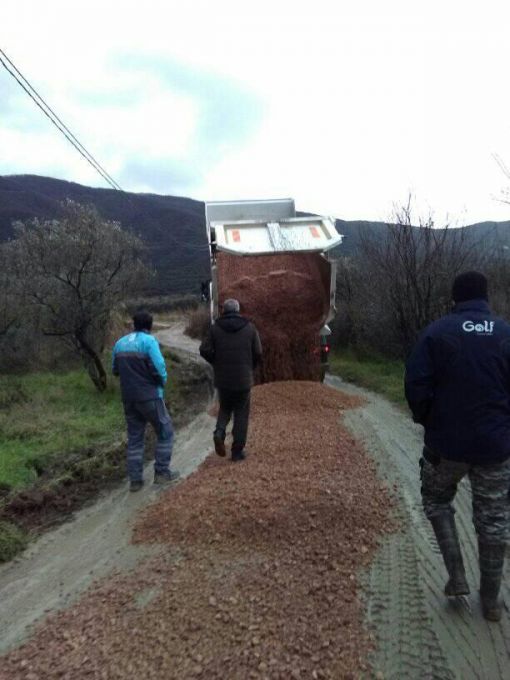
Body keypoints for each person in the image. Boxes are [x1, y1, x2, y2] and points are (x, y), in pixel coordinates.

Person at [405, 271, 510, 621]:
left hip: (446, 446)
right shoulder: (505, 333)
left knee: (436, 498)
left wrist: (428, 421)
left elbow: (416, 384)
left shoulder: (437, 333)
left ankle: (457, 576)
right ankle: (492, 600)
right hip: (495, 448)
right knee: (494, 518)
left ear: (454, 298)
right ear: (486, 297)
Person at [112, 310, 179, 491]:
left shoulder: (119, 343)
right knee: (165, 431)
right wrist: (162, 382)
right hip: (149, 396)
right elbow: (159, 367)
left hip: (128, 398)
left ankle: (135, 480)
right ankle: (162, 473)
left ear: (133, 324)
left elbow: (115, 370)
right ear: (150, 326)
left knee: (135, 438)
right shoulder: (149, 342)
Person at [199, 298, 262, 461]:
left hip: (223, 379)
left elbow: (204, 349)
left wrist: (215, 361)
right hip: (243, 379)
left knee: (225, 408)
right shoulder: (250, 328)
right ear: (238, 310)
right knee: (241, 413)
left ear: (224, 311)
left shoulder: (215, 328)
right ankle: (237, 451)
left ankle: (219, 433)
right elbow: (258, 352)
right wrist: (250, 367)